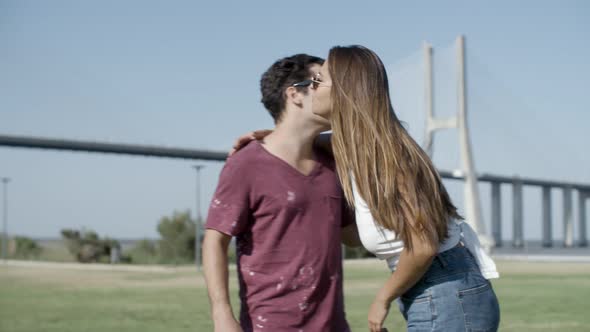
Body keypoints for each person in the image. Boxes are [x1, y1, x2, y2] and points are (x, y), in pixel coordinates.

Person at [234, 45, 500, 332]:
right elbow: (323, 142)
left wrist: (383, 298)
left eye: (319, 80)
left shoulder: (388, 155)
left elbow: (423, 246)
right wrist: (275, 139)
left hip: (446, 292)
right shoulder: (364, 147)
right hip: (439, 290)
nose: (312, 88)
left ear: (345, 91)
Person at [202, 53, 360, 332]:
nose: (338, 92)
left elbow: (352, 237)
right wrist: (222, 315)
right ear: (296, 94)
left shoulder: (332, 163)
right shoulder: (246, 163)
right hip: (271, 325)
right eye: (324, 82)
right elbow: (215, 240)